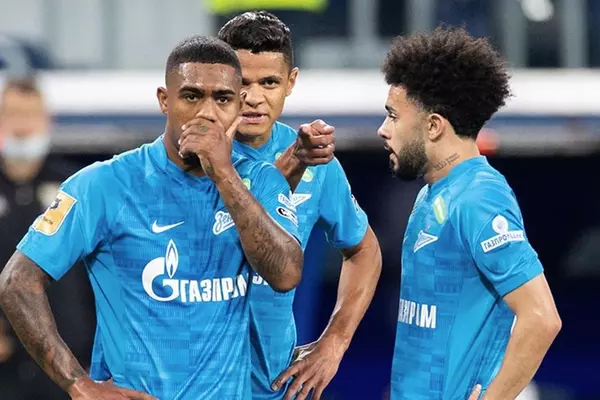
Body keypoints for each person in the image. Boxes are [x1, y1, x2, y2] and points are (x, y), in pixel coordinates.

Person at [0, 36, 304, 400]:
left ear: (239, 105)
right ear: (164, 100)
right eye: (191, 96)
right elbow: (17, 280)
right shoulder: (104, 185)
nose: (207, 113)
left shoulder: (262, 180)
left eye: (222, 99)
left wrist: (224, 175)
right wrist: (78, 384)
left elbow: (285, 275)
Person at [377, 26, 561, 399]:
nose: (383, 130)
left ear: (433, 126)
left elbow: (542, 317)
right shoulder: (432, 194)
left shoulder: (479, 198)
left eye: (393, 117)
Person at [218, 11, 382, 400]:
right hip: (189, 384)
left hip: (269, 387)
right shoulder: (189, 159)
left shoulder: (317, 166)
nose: (253, 98)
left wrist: (335, 341)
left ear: (290, 82)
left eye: (269, 82)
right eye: (241, 83)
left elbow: (364, 250)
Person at [0, 77, 95, 400]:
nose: (23, 126)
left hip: (71, 366)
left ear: (47, 121)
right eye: (13, 114)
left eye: (30, 114)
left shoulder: (75, 186)